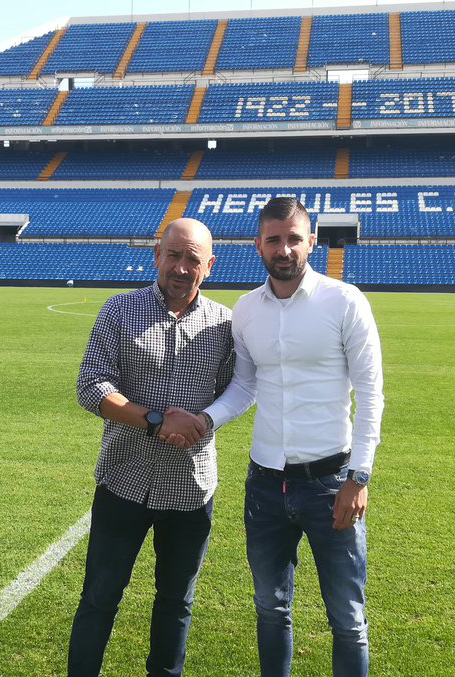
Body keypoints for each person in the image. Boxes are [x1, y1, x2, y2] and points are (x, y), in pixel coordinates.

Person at [176, 197, 384, 676]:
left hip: (333, 482)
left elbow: (372, 394)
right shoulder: (247, 310)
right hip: (266, 485)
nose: (284, 249)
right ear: (259, 246)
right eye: (274, 239)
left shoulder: (345, 301)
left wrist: (360, 475)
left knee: (348, 619)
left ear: (311, 241)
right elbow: (245, 385)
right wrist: (205, 419)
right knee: (271, 609)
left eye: (294, 238)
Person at [67, 218, 235, 677]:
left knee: (177, 603)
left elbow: (230, 394)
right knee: (99, 596)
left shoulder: (225, 324)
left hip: (191, 487)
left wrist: (197, 422)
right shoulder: (120, 310)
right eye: (174, 255)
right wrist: (158, 421)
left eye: (193, 260)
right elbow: (91, 386)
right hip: (124, 481)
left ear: (210, 266)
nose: (182, 267)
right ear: (157, 255)